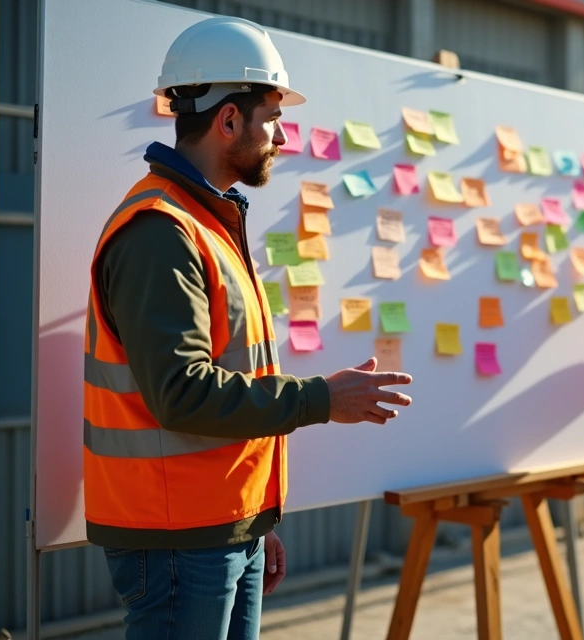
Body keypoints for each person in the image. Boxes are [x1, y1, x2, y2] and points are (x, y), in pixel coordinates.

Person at [82, 17, 413, 639]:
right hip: (177, 539)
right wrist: (322, 399)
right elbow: (182, 393)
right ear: (228, 121)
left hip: (222, 525)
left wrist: (255, 520)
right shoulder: (161, 232)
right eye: (272, 118)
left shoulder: (206, 221)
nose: (281, 137)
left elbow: (232, 378)